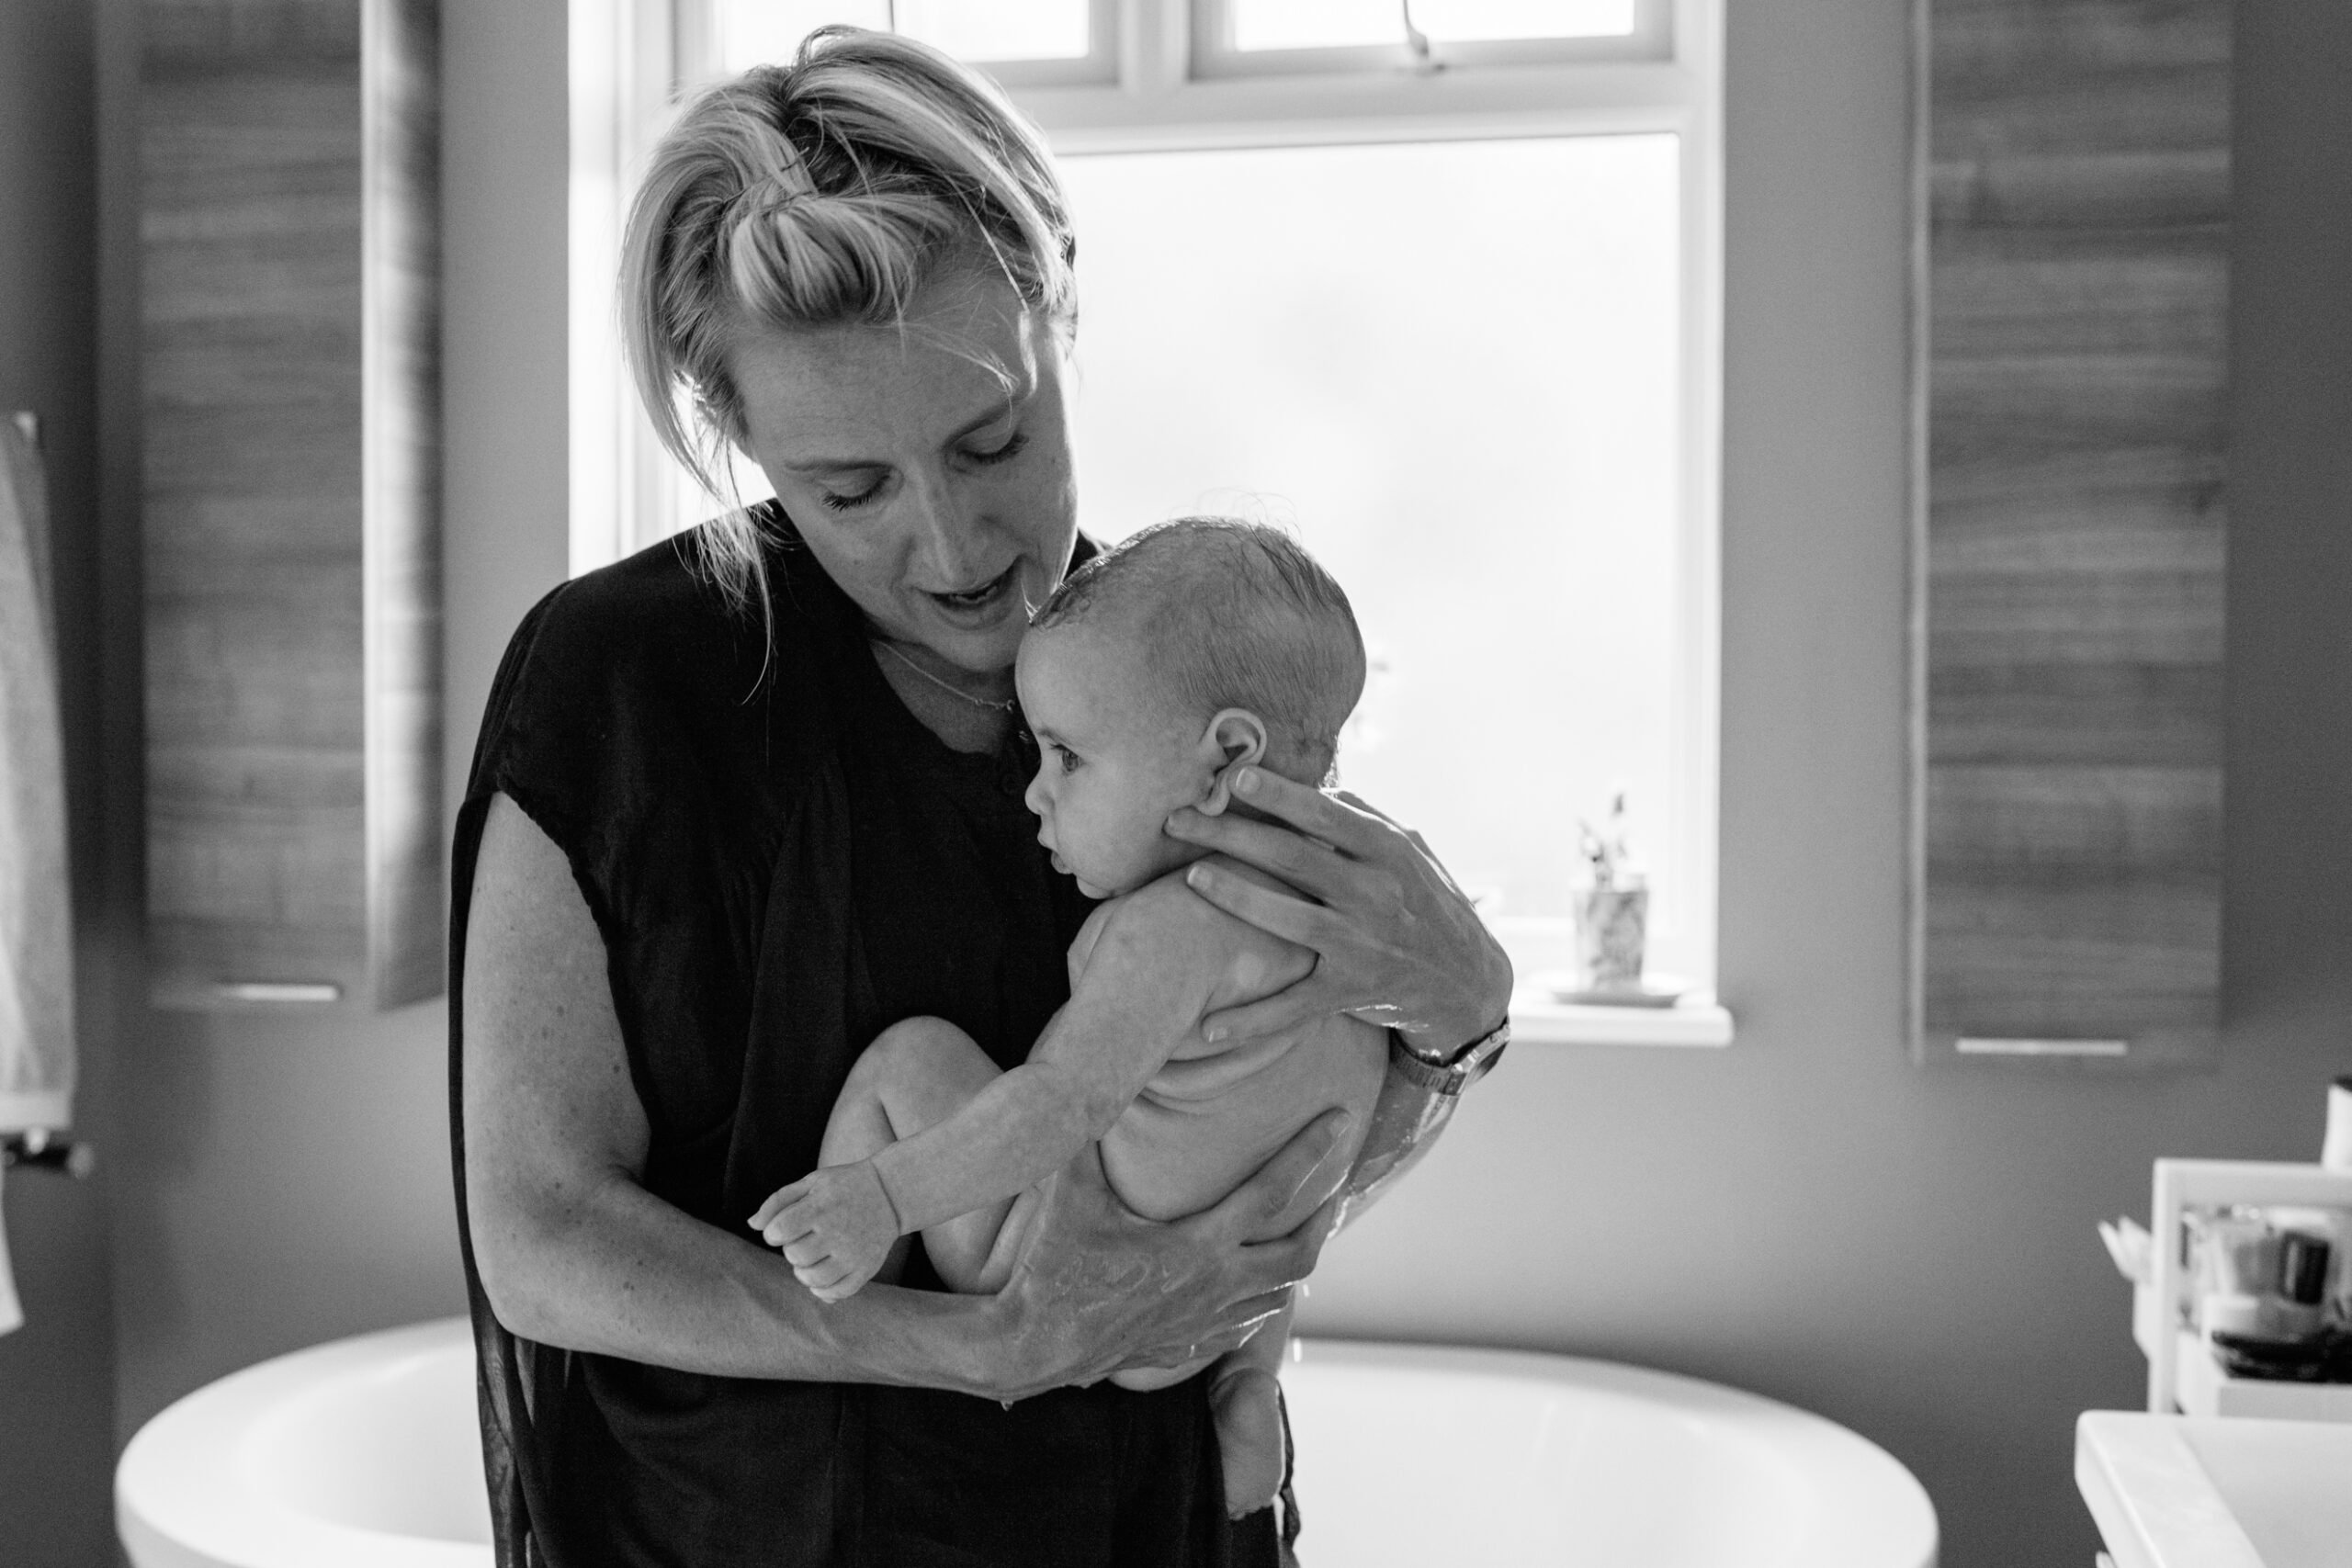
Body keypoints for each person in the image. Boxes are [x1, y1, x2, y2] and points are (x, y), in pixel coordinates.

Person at [452, 26, 1513, 1568]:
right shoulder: (620, 683)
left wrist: (1465, 1019)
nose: (954, 547)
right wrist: (979, 1344)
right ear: (738, 436)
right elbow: (541, 1238)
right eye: (851, 490)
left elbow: (1286, 1140)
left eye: (993, 437)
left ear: (1061, 313)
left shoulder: (1169, 675)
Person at [749, 518, 1391, 1517]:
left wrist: (881, 1193)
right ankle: (1248, 1391)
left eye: (1067, 758)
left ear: (1226, 759)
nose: (1036, 794)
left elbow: (1057, 1106)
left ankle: (849, 1318)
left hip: (1058, 1270)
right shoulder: (1361, 917)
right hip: (1229, 1310)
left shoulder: (1176, 927)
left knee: (912, 1057)